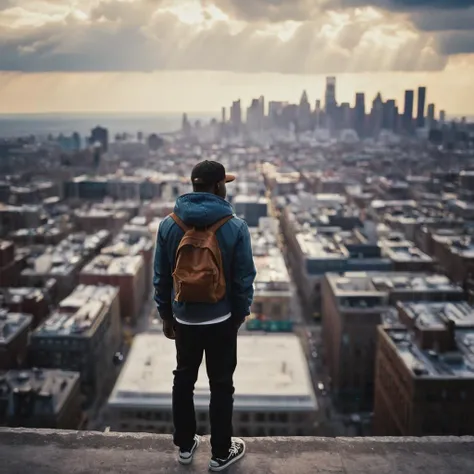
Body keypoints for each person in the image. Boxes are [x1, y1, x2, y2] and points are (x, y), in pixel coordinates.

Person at [153, 160, 256, 472]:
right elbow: (243, 280)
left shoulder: (169, 225)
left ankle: (185, 446)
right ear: (217, 187)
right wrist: (238, 316)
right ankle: (220, 453)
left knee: (183, 379)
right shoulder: (235, 227)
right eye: (225, 183)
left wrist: (167, 316)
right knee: (221, 384)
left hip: (184, 319)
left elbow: (161, 278)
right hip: (221, 319)